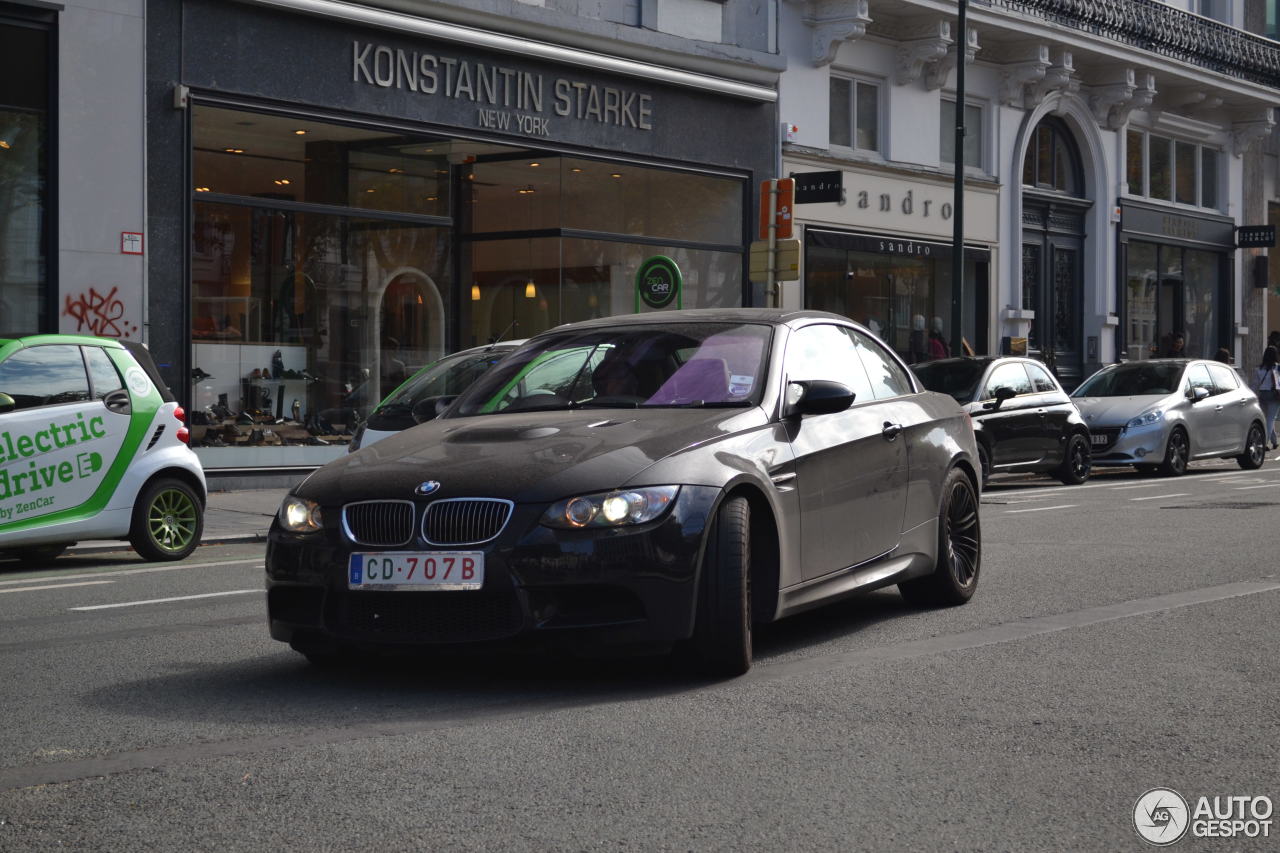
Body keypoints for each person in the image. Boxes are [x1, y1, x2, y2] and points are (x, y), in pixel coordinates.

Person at [1254, 346, 1280, 450]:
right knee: (1270, 419)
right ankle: (1264, 443)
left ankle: (1274, 441)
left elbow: (1254, 384)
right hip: (1274, 395)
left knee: (1267, 419)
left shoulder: (1259, 369)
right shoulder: (1277, 368)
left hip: (1262, 395)